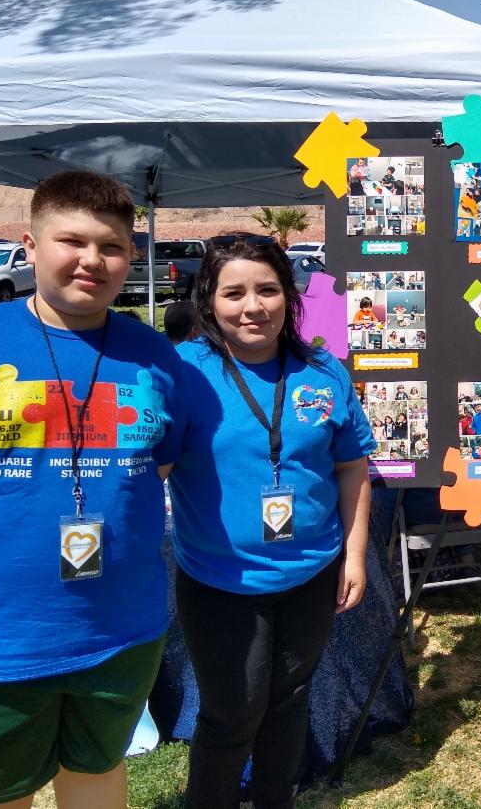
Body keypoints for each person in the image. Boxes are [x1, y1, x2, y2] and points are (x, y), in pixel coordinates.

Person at [0, 171, 186, 809]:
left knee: (99, 776)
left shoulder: (156, 357)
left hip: (120, 628)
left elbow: (155, 467)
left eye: (112, 246)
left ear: (132, 254)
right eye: (72, 241)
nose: (92, 260)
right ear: (30, 246)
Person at [167, 236, 374, 808]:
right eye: (233, 293)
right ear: (209, 301)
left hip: (312, 573)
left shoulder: (324, 371)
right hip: (219, 580)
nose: (252, 307)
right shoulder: (182, 373)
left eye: (267, 290)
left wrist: (355, 555)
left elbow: (352, 469)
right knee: (232, 712)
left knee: (289, 701)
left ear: (290, 295)